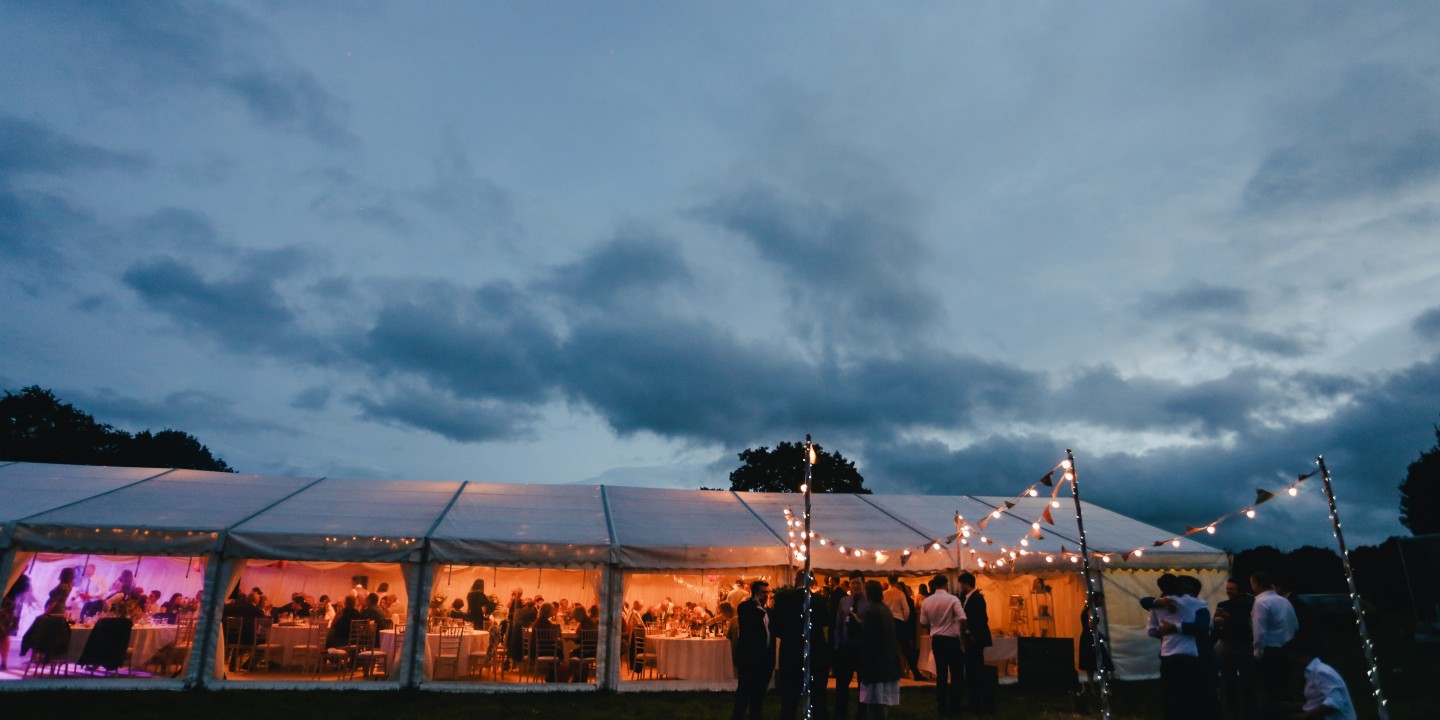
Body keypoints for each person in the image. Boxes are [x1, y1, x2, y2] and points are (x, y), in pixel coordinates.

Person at [1250, 571, 1298, 711]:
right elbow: (1295, 625)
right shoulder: (1284, 600)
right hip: (1288, 649)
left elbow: (1259, 631)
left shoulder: (1260, 602)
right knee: (1283, 687)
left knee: (1271, 690)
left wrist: (1258, 654)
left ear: (1256, 584)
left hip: (1270, 652)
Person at [921, 573, 967, 717]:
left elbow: (923, 622)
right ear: (946, 584)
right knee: (956, 674)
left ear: (934, 585)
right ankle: (955, 706)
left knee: (941, 675)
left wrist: (934, 625)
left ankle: (942, 706)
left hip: (938, 640)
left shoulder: (927, 601)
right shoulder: (953, 599)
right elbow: (963, 618)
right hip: (952, 640)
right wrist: (962, 637)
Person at [1213, 577, 1257, 720]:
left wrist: (1229, 617)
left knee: (1247, 681)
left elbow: (1248, 626)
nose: (1228, 591)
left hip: (1244, 647)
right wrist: (1215, 626)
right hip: (1227, 647)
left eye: (1231, 589)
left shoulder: (1249, 604)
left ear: (1240, 590)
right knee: (1228, 681)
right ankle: (1232, 710)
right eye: (1227, 588)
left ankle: (1250, 710)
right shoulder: (1223, 605)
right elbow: (1217, 628)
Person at [1283, 638, 1356, 720]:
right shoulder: (1313, 673)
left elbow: (1334, 703)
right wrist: (1296, 706)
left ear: (1296, 654)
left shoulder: (1321, 672)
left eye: (1290, 655)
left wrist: (1303, 717)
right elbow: (1320, 701)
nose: (1289, 660)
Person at [732, 579, 774, 720]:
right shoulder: (745, 608)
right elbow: (750, 625)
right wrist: (758, 607)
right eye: (763, 592)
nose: (766, 595)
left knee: (759, 694)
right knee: (744, 692)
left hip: (765, 659)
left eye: (767, 592)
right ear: (755, 593)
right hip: (749, 659)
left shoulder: (767, 610)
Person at [833, 573, 870, 720]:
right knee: (842, 684)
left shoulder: (869, 602)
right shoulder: (844, 601)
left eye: (857, 583)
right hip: (846, 647)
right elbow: (838, 624)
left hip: (862, 647)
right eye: (852, 583)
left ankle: (862, 714)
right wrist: (837, 644)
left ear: (863, 584)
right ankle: (840, 714)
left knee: (864, 685)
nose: (855, 586)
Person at [958, 572, 994, 713]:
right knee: (974, 672)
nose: (960, 587)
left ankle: (977, 703)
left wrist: (971, 633)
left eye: (961, 584)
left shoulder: (976, 598)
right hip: (974, 640)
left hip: (975, 640)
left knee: (976, 672)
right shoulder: (971, 598)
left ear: (966, 584)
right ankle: (976, 701)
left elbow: (980, 619)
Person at [882, 575, 917, 681]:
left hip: (888, 621)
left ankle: (887, 672)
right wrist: (904, 619)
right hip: (899, 621)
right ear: (897, 581)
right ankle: (915, 672)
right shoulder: (900, 593)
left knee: (888, 648)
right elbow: (906, 610)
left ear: (888, 581)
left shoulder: (884, 594)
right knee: (906, 648)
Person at [2, 575, 37, 671]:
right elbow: (27, 590)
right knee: (4, 635)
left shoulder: (16, 575)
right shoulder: (22, 578)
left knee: (4, 634)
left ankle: (4, 662)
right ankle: (4, 662)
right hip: (9, 603)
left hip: (6, 604)